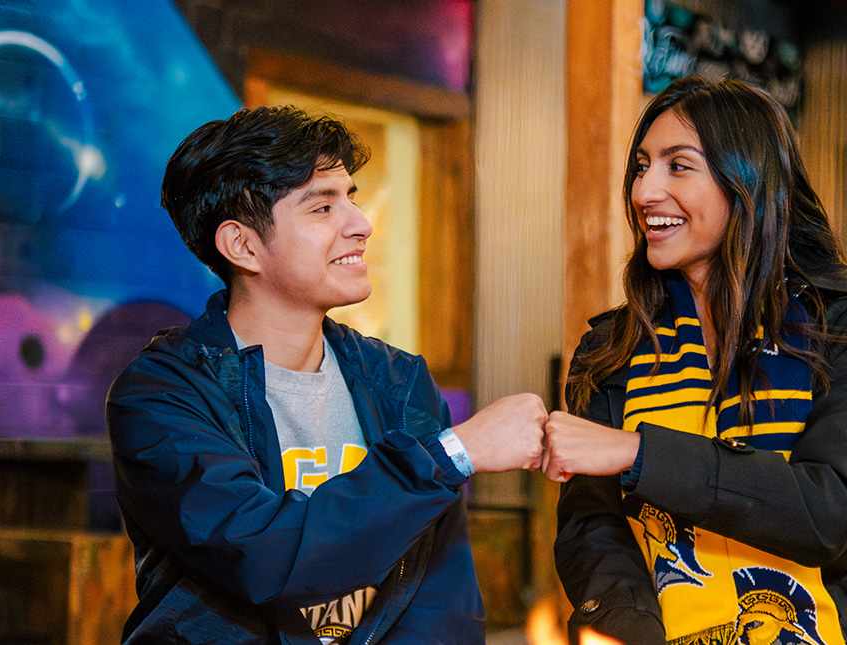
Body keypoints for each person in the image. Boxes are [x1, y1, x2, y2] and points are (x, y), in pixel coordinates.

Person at [106, 105, 547, 644]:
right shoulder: (163, 394)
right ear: (242, 245)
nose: (360, 225)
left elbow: (439, 600)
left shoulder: (397, 380)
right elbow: (262, 557)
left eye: (352, 199)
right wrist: (451, 454)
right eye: (322, 208)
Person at [542, 76, 847, 645]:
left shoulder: (838, 326)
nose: (645, 192)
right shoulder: (610, 349)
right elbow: (593, 529)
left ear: (747, 182)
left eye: (679, 166)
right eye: (643, 166)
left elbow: (825, 511)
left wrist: (640, 453)